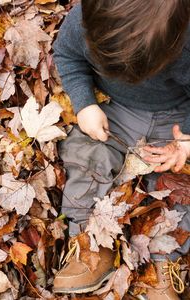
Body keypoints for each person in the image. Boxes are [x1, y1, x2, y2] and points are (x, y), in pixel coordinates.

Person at [53, 1, 190, 298]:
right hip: (115, 111)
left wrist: (186, 140)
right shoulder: (84, 22)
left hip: (177, 116)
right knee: (87, 154)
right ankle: (89, 240)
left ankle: (163, 261)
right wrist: (85, 104)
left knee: (177, 186)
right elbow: (67, 56)